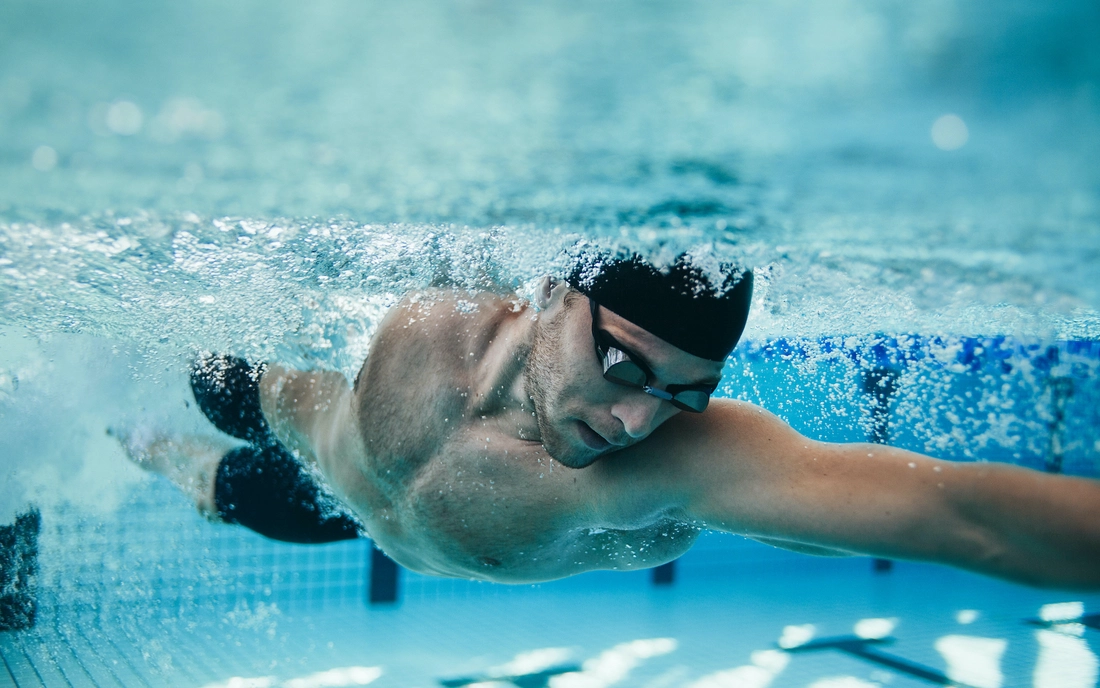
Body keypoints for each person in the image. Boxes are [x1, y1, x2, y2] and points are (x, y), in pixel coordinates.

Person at [117, 250, 1100, 589]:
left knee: (213, 484)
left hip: (335, 509)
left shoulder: (670, 468)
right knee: (193, 374)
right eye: (624, 362)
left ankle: (158, 456)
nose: (636, 419)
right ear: (546, 294)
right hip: (306, 427)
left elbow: (963, 516)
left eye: (681, 392)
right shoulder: (439, 297)